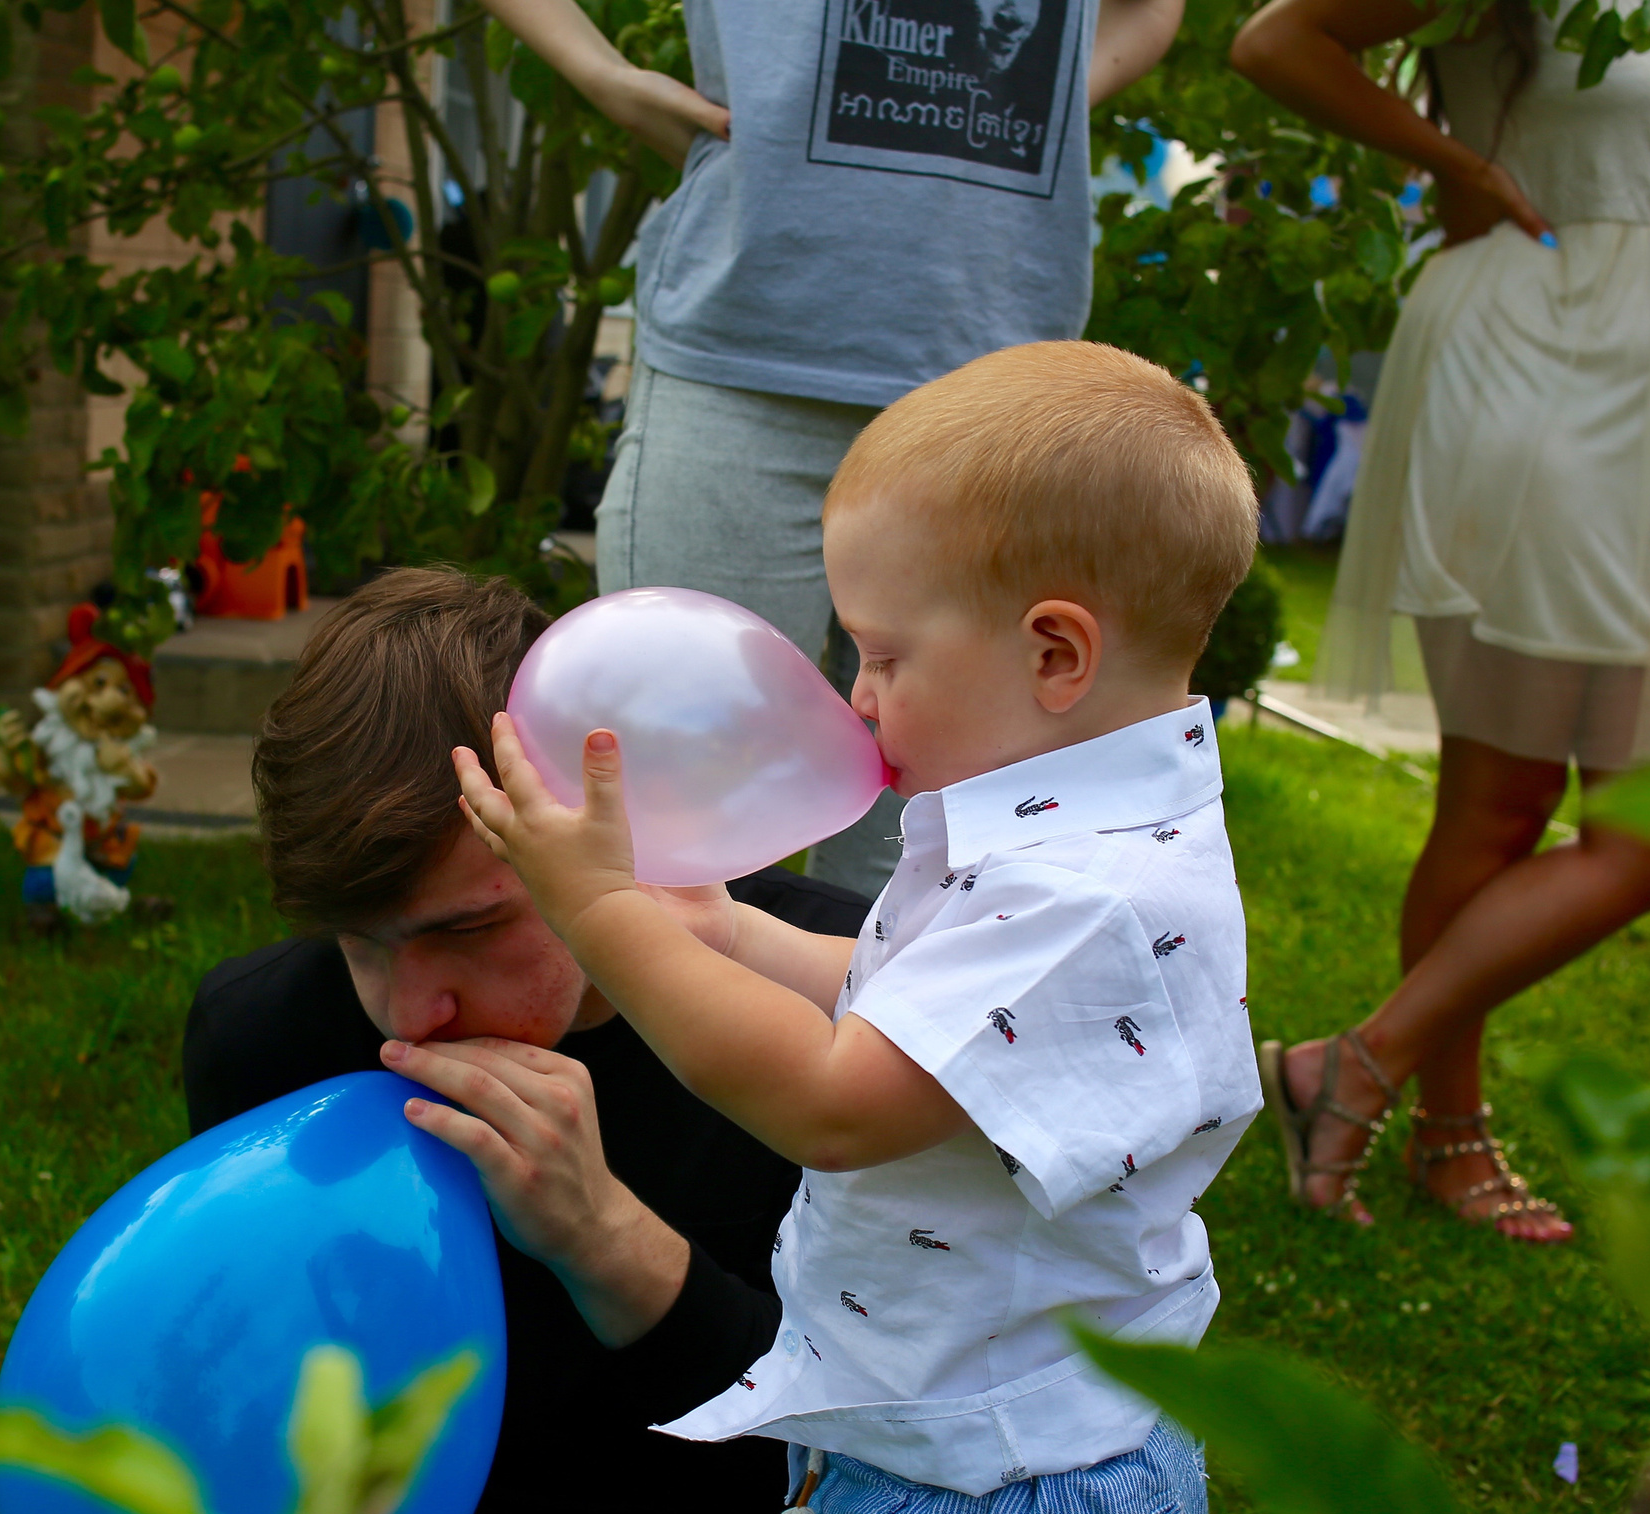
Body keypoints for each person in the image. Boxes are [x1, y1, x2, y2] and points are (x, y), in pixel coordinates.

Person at [448, 341, 1260, 1514]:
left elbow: (834, 1095)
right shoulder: (1083, 819)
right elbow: (917, 1009)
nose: (859, 695)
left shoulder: (1082, 890)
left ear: (1054, 650)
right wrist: (732, 934)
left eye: (883, 653)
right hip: (1018, 1457)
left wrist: (605, 913)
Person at [180, 569, 871, 1514]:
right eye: (362, 942)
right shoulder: (265, 1040)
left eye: (467, 927)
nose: (411, 1013)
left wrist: (606, 1243)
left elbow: (876, 1467)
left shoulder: (836, 1026)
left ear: (607, 823)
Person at [1230, 0, 1650, 1241]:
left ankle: (1357, 1069)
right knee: (1507, 803)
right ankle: (1437, 1133)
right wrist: (1454, 163)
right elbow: (1275, 39)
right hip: (1541, 356)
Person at [474, 0, 1187, 897]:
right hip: (744, 349)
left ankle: (862, 1039)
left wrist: (1029, 93)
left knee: (935, 859)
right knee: (661, 827)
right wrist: (600, 74)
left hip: (989, 394)